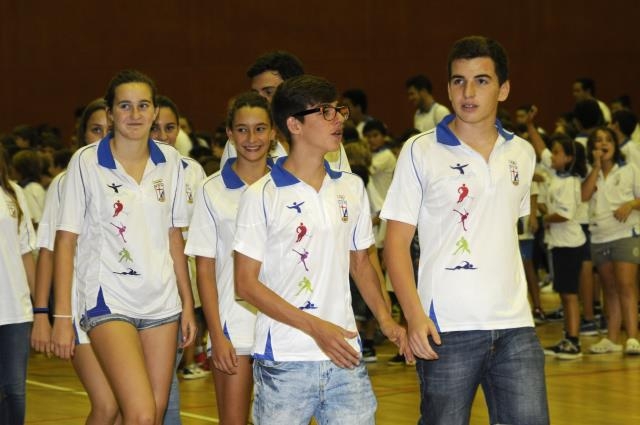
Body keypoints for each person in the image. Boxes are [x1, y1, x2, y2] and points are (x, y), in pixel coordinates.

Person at [382, 36, 549, 424]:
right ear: (448, 88)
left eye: (481, 81)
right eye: (459, 81)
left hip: (516, 327)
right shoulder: (419, 150)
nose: (468, 92)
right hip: (445, 329)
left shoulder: (522, 153)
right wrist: (413, 316)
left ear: (503, 89)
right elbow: (395, 244)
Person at [233, 74, 410, 424]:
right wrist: (316, 328)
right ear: (294, 124)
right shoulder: (261, 196)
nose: (338, 119)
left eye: (339, 110)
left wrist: (387, 321)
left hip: (345, 355)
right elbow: (245, 284)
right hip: (285, 360)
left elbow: (361, 263)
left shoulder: (351, 187)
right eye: (326, 112)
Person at [52, 69, 197, 425]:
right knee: (141, 413)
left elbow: (174, 237)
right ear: (111, 112)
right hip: (108, 300)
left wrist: (188, 304)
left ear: (154, 111)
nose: (135, 114)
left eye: (143, 105)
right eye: (125, 106)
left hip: (162, 303)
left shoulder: (172, 162)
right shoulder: (86, 161)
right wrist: (60, 316)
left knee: (155, 412)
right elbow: (66, 240)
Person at [30, 98, 124, 424]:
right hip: (80, 307)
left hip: (126, 305)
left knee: (127, 406)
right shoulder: (65, 181)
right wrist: (43, 314)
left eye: (109, 129)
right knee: (108, 404)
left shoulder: (130, 179)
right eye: (95, 130)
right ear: (82, 134)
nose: (103, 137)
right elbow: (48, 250)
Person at [185, 92, 273, 425]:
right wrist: (217, 335)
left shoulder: (289, 185)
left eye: (260, 129)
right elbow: (205, 270)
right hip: (233, 326)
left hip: (285, 326)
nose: (252, 138)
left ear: (274, 132)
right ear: (229, 133)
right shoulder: (211, 190)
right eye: (242, 129)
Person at [220, 50, 351, 172]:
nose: (259, 101)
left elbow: (345, 187)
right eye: (255, 93)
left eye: (269, 92)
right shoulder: (243, 142)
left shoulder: (326, 139)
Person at [582, 127, 640, 355]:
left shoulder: (630, 169)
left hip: (625, 234)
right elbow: (584, 196)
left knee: (626, 285)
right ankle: (612, 339)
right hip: (599, 236)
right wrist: (596, 167)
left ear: (615, 146)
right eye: (598, 141)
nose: (603, 144)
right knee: (609, 288)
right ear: (592, 147)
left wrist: (631, 204)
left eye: (608, 140)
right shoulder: (590, 172)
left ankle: (633, 338)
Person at [540, 135, 588, 359]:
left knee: (569, 295)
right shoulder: (557, 177)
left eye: (557, 152)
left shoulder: (569, 182)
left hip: (569, 244)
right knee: (564, 293)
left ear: (568, 158)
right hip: (559, 243)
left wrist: (545, 218)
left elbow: (565, 214)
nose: (552, 155)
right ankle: (568, 336)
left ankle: (574, 342)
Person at [0, 145, 36, 425]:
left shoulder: (14, 193)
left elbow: (25, 252)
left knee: (14, 391)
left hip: (15, 310)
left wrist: (42, 309)